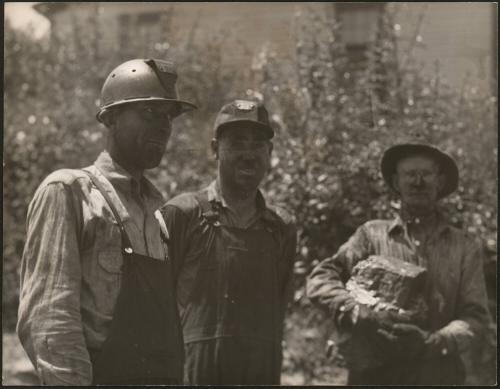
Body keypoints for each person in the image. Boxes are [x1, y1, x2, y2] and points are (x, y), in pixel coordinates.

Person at [17, 58, 196, 385]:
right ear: (111, 118)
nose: (163, 126)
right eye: (149, 112)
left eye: (169, 116)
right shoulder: (70, 193)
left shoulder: (157, 217)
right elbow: (50, 325)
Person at [306, 140, 491, 385]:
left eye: (426, 174)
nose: (418, 182)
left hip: (438, 374)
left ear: (440, 182)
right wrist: (353, 310)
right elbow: (321, 278)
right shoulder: (370, 235)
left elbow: (476, 318)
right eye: (409, 174)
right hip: (374, 373)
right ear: (396, 183)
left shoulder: (465, 246)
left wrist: (435, 342)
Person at [157, 99, 297, 385]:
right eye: (236, 142)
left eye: (257, 144)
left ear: (269, 153)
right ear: (215, 149)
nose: (248, 154)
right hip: (193, 373)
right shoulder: (182, 214)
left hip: (260, 372)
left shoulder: (282, 227)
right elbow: (153, 308)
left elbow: (278, 309)